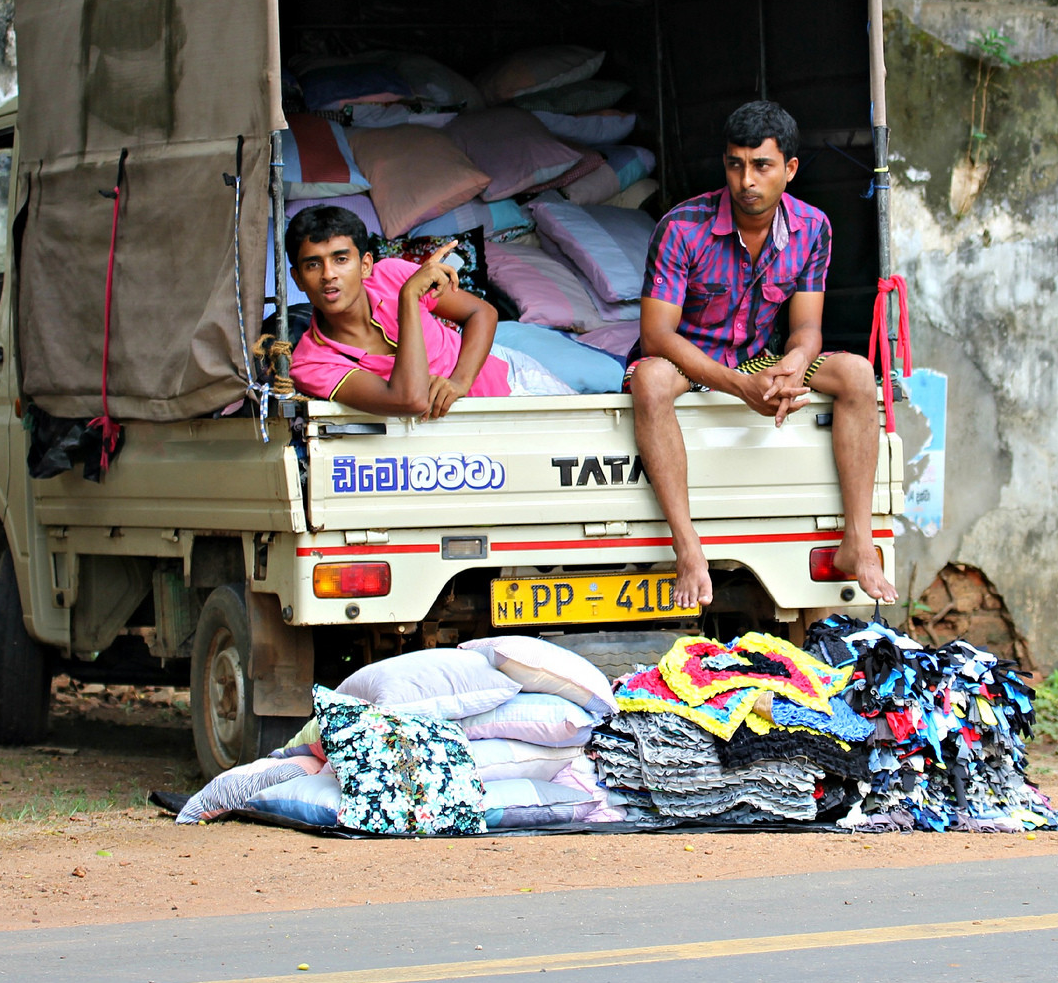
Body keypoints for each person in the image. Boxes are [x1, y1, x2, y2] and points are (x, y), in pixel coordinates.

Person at [628, 101, 897, 609]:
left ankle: (857, 542)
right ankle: (689, 550)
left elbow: (807, 328)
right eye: (735, 164)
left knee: (858, 373)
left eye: (761, 165)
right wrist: (738, 386)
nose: (746, 180)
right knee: (649, 379)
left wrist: (794, 363)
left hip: (760, 357)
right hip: (690, 361)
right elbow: (657, 337)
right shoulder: (681, 227)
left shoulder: (813, 228)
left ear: (790, 169)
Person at [286, 204, 569, 415]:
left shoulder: (391, 274)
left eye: (341, 259)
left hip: (510, 376)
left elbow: (481, 313)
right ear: (297, 278)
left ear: (365, 265)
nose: (328, 275)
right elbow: (409, 401)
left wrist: (459, 382)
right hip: (458, 437)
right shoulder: (310, 363)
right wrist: (409, 297)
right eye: (313, 264)